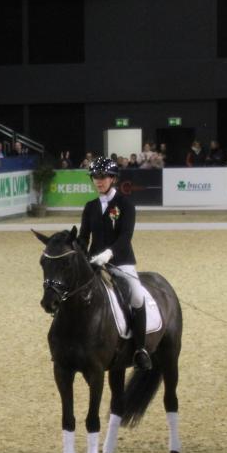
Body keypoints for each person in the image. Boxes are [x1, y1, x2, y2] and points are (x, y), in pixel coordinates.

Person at [76, 158, 152, 370]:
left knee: (136, 295)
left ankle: (140, 349)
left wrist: (109, 254)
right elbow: (84, 237)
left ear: (112, 178)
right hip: (94, 263)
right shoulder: (90, 207)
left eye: (102, 177)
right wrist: (77, 250)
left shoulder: (126, 205)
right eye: (95, 177)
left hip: (121, 261)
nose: (98, 181)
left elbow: (125, 237)